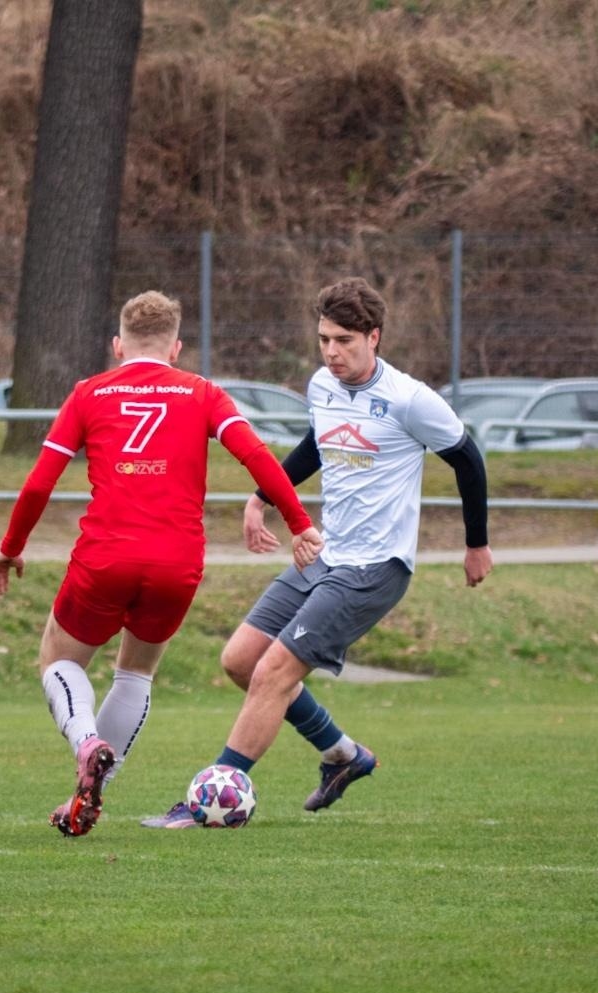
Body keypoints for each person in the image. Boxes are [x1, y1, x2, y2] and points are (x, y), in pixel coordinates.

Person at [142, 277, 493, 829]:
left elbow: (468, 460)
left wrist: (476, 544)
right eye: (325, 339)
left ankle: (211, 798)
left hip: (375, 567)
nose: (332, 351)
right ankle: (343, 755)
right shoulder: (322, 385)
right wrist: (262, 497)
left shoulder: (410, 400)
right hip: (326, 555)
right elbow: (317, 446)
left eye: (344, 341)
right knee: (241, 661)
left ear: (373, 337)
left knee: (273, 671)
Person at [0, 290, 323, 838]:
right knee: (135, 673)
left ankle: (86, 744)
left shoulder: (89, 393)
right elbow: (257, 455)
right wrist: (299, 522)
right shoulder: (203, 393)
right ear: (176, 348)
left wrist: (11, 545)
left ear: (118, 346)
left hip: (106, 557)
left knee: (58, 661)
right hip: (176, 563)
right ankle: (89, 792)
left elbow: (40, 481)